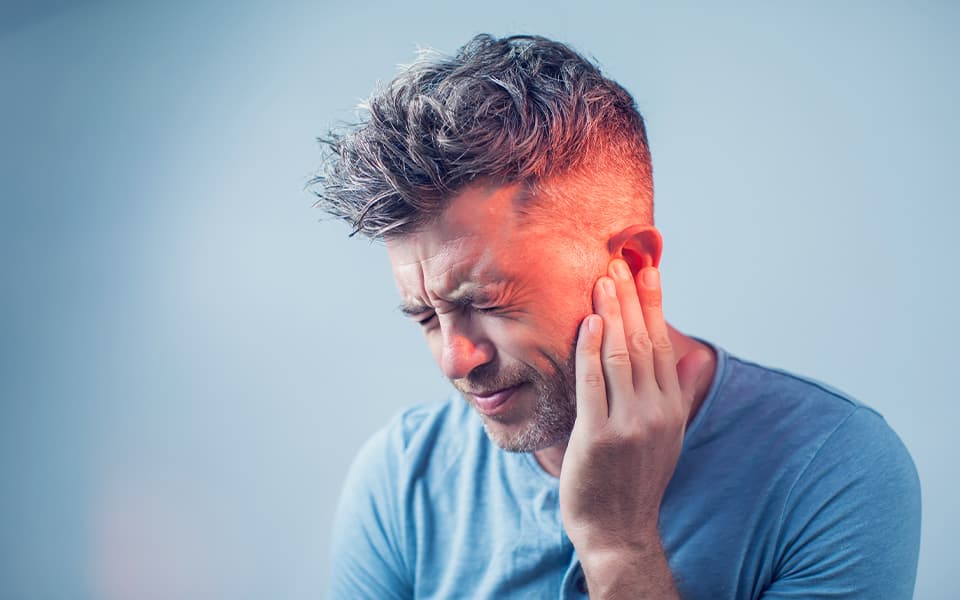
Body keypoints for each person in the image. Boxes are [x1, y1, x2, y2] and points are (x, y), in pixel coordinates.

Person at [313, 34, 921, 599]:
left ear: (630, 263)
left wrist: (618, 547)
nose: (456, 359)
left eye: (487, 302)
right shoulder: (401, 479)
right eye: (425, 318)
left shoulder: (833, 469)